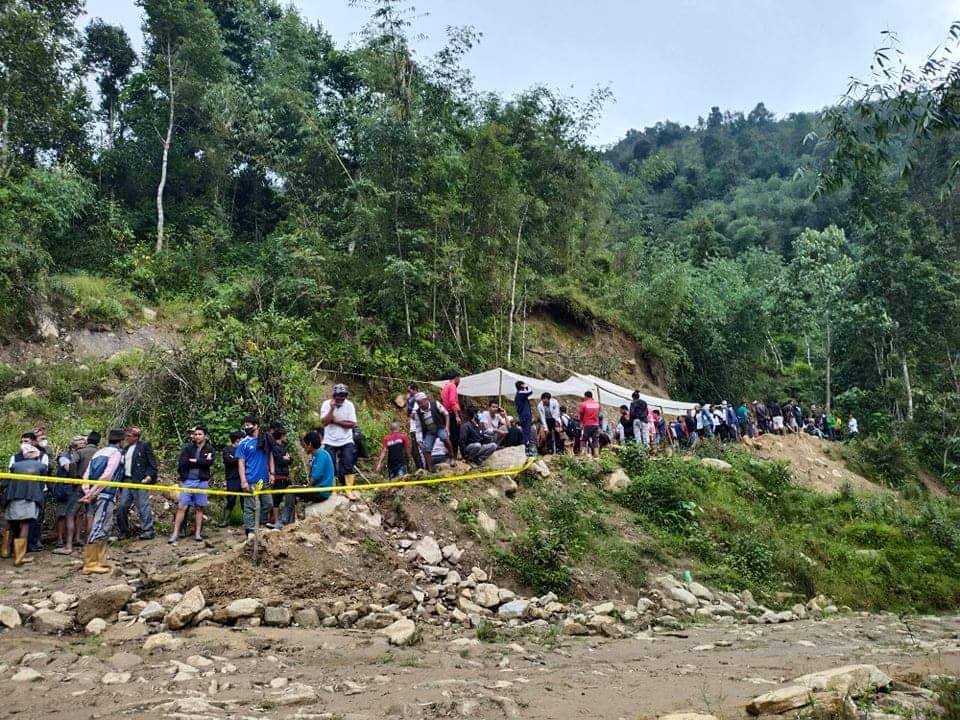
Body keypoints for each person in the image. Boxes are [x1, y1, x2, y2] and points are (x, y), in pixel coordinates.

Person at [80, 429, 126, 574]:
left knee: (103, 526)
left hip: (95, 493)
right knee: (100, 526)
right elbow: (107, 475)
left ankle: (100, 560)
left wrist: (88, 491)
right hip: (105, 494)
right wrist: (93, 493)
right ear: (121, 441)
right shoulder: (116, 453)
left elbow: (85, 475)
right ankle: (90, 563)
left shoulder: (99, 452)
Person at [2, 442, 47, 566]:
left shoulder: (16, 466)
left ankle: (5, 551)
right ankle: (19, 557)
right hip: (29, 497)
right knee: (25, 525)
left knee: (10, 524)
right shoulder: (41, 466)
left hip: (13, 497)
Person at [280, 431, 335, 526]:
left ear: (309, 444)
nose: (304, 447)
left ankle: (284, 521)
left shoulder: (321, 454)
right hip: (319, 489)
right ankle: (289, 521)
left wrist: (307, 487)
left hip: (321, 491)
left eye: (304, 445)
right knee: (294, 491)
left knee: (290, 490)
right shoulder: (319, 454)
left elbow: (315, 476)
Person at [115, 426, 157, 541]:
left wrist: (148, 477)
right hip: (127, 481)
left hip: (140, 480)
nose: (127, 438)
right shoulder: (126, 448)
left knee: (142, 506)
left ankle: (148, 530)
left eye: (129, 436)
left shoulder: (144, 446)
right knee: (122, 506)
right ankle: (124, 531)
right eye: (126, 436)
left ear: (136, 436)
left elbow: (152, 464)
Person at [236, 416, 273, 538]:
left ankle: (259, 525)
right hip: (250, 479)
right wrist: (243, 481)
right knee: (250, 507)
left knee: (268, 504)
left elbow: (270, 456)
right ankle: (250, 531)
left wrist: (272, 473)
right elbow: (241, 462)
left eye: (248, 425)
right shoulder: (243, 443)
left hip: (264, 480)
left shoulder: (265, 440)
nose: (246, 427)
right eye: (245, 425)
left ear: (256, 425)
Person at [320, 383, 359, 498]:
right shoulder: (326, 404)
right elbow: (324, 422)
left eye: (343, 396)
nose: (340, 398)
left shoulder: (349, 405)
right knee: (330, 466)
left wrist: (336, 422)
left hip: (346, 440)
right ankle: (333, 491)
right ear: (334, 395)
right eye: (338, 395)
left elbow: (352, 424)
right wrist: (332, 410)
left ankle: (348, 490)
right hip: (329, 440)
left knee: (348, 464)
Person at [52, 435, 85, 555]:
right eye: (80, 443)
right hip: (65, 489)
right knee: (62, 514)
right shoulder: (64, 456)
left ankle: (76, 538)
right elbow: (68, 469)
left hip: (78, 488)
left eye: (83, 443)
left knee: (79, 514)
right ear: (73, 446)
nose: (82, 445)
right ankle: (60, 539)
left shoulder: (82, 456)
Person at [411, 391, 454, 470]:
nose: (421, 405)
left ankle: (452, 458)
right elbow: (418, 428)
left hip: (439, 427)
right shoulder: (417, 413)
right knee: (426, 448)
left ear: (426, 400)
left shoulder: (435, 404)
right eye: (418, 403)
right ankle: (430, 468)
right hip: (429, 432)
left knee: (444, 437)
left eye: (421, 403)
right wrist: (419, 440)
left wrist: (447, 427)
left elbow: (446, 414)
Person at [75, 431, 100, 545]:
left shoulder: (80, 452)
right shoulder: (100, 453)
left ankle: (77, 538)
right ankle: (88, 539)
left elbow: (72, 465)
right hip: (94, 486)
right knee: (90, 513)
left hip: (80, 485)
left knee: (78, 513)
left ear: (87, 441)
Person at [269, 427, 291, 526]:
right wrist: (285, 458)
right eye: (285, 435)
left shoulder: (283, 448)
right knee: (276, 500)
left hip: (286, 477)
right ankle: (276, 521)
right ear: (281, 436)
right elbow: (280, 461)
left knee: (291, 498)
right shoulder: (275, 448)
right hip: (278, 477)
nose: (286, 438)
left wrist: (285, 458)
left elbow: (291, 460)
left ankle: (288, 519)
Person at [220, 431, 243, 526]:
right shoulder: (227, 449)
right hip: (232, 478)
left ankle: (247, 521)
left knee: (245, 500)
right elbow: (229, 460)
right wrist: (239, 458)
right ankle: (225, 520)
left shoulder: (244, 449)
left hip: (244, 478)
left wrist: (235, 458)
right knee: (231, 499)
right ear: (237, 439)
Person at [440, 371, 462, 460]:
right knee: (455, 437)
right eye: (459, 378)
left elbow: (443, 400)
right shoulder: (452, 386)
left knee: (449, 435)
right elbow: (452, 401)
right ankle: (454, 458)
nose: (460, 381)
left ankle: (450, 456)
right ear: (456, 378)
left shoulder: (445, 386)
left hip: (446, 414)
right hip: (452, 414)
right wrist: (457, 416)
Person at [404, 383, 424, 469]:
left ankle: (422, 469)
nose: (408, 392)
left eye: (409, 390)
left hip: (417, 429)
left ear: (415, 389)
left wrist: (408, 402)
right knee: (415, 451)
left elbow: (412, 415)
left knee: (417, 450)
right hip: (415, 428)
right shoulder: (413, 400)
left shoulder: (417, 400)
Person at [578, 391, 601, 458]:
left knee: (584, 439)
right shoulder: (597, 404)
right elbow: (598, 413)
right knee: (595, 439)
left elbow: (581, 414)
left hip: (587, 424)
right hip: (596, 424)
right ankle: (596, 453)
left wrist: (582, 422)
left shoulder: (583, 404)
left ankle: (583, 453)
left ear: (586, 396)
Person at [514, 381, 534, 451]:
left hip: (523, 415)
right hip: (525, 415)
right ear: (521, 386)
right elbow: (530, 391)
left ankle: (525, 446)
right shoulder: (520, 393)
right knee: (526, 432)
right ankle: (525, 447)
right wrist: (526, 386)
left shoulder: (518, 394)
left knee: (526, 432)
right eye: (523, 384)